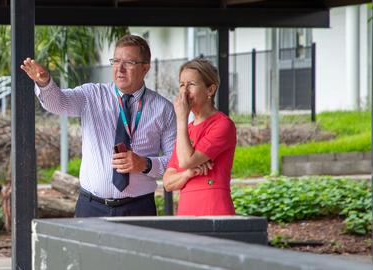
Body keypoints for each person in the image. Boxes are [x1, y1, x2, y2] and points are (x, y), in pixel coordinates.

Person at [21, 34, 176, 217]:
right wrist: (45, 82)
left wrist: (146, 164)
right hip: (91, 207)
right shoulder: (91, 95)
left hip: (139, 208)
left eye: (129, 63)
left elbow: (175, 162)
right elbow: (59, 103)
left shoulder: (163, 109)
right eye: (116, 61)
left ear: (145, 68)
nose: (120, 69)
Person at [162, 58, 237, 216]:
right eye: (182, 85)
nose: (184, 92)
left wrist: (181, 118)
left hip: (214, 208)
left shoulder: (222, 125)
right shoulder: (186, 130)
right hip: (187, 210)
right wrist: (188, 173)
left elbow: (185, 161)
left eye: (191, 84)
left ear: (210, 90)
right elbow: (168, 182)